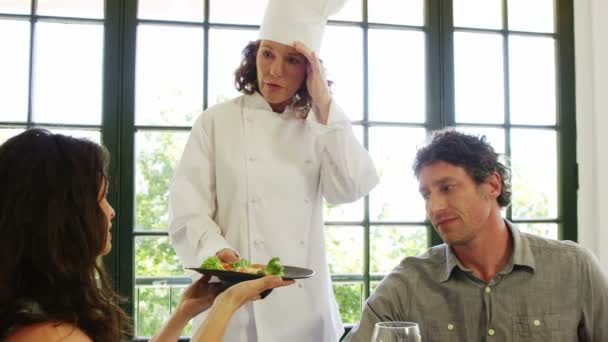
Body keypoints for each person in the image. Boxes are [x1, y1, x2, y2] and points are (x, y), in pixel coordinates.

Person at [168, 0, 379, 341]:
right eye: (267, 54)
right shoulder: (216, 122)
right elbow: (187, 209)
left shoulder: (319, 126)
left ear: (310, 70)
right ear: (255, 55)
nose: (274, 70)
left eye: (291, 59)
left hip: (304, 311)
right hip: (231, 311)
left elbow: (351, 187)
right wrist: (216, 252)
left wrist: (324, 104)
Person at [0, 129, 293, 342]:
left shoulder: (40, 315)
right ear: (60, 218)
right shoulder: (51, 337)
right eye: (101, 199)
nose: (111, 211)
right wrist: (227, 303)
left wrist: (181, 315)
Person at [344, 129, 608, 342]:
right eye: (427, 195)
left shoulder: (574, 269)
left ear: (493, 185)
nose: (434, 207)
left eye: (447, 188)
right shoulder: (407, 284)